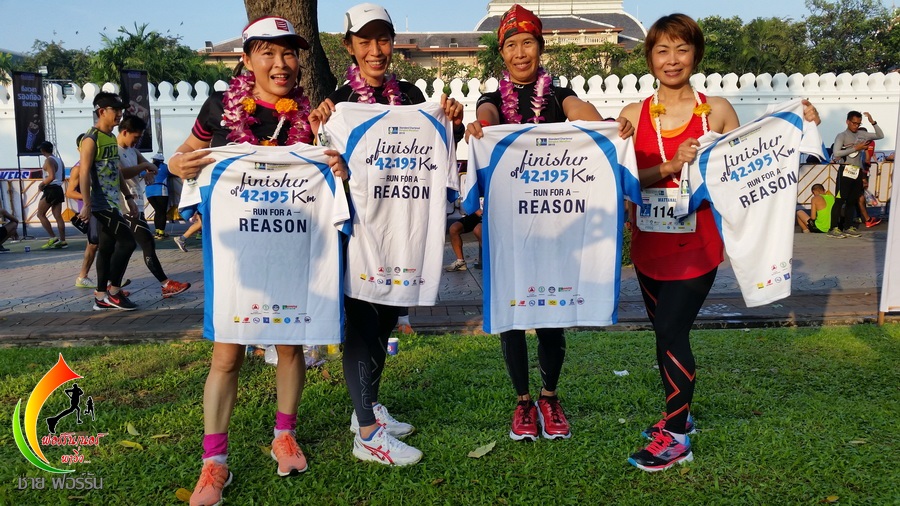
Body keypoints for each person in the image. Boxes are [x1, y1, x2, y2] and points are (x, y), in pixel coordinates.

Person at [618, 13, 820, 472]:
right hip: (649, 246)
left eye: (682, 49)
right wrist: (668, 166)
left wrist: (800, 123)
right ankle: (679, 416)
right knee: (665, 334)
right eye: (662, 50)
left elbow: (751, 162)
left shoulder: (719, 110)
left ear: (696, 55)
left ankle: (675, 438)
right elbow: (623, 179)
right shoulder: (632, 115)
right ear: (649, 57)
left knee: (672, 332)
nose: (672, 59)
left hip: (699, 245)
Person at [167, 17, 348, 506]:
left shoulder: (314, 117)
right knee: (227, 356)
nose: (280, 63)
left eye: (288, 53)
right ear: (247, 60)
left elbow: (335, 173)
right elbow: (185, 154)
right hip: (238, 260)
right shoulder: (219, 109)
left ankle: (284, 435)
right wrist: (176, 163)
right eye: (267, 52)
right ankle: (214, 462)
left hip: (293, 251)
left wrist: (336, 165)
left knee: (290, 346)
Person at [464, 3, 633, 443]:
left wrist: (612, 128)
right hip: (510, 231)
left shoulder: (559, 95)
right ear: (502, 53)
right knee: (512, 317)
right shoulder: (491, 101)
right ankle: (523, 401)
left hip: (556, 229)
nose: (520, 53)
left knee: (551, 314)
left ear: (540, 48)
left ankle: (550, 397)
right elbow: (488, 121)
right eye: (511, 46)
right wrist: (479, 129)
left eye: (528, 43)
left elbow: (586, 116)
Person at [309, 2, 465, 466]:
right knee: (363, 319)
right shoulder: (338, 103)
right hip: (360, 233)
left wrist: (452, 119)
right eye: (365, 41)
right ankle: (367, 434)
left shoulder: (412, 94)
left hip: (404, 233)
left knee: (387, 319)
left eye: (383, 40)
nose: (375, 50)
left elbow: (434, 146)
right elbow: (321, 167)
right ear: (349, 47)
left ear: (393, 43)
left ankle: (369, 406)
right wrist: (321, 131)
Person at [78, 92, 141, 311]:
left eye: (120, 110)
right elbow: (84, 173)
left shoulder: (111, 138)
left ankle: (100, 296)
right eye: (116, 110)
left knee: (106, 248)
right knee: (128, 242)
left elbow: (117, 171)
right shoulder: (90, 139)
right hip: (101, 204)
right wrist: (87, 204)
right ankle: (114, 292)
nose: (119, 114)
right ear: (102, 111)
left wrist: (129, 197)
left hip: (114, 202)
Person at [117, 115, 191, 298]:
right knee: (146, 242)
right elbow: (121, 173)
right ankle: (166, 284)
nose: (136, 141)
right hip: (125, 204)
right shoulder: (114, 150)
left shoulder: (132, 150)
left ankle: (111, 287)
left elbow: (149, 166)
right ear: (124, 132)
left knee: (123, 247)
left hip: (137, 202)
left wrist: (149, 170)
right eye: (135, 137)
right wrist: (144, 166)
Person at [831, 111, 883, 237]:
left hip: (858, 170)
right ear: (847, 122)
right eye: (854, 123)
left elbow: (880, 135)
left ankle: (848, 227)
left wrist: (873, 122)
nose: (856, 126)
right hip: (845, 169)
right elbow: (836, 153)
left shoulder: (862, 134)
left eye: (858, 124)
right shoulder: (842, 136)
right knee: (840, 200)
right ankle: (833, 228)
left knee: (852, 200)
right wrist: (856, 148)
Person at [66, 133, 99, 287]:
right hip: (89, 210)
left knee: (102, 244)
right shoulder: (77, 168)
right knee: (93, 244)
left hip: (103, 207)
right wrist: (88, 199)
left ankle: (112, 281)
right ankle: (83, 276)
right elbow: (69, 192)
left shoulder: (97, 164)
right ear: (79, 148)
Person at [37, 141, 68, 250]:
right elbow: (62, 177)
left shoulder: (49, 160)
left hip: (51, 189)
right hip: (58, 188)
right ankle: (63, 240)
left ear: (42, 150)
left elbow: (51, 176)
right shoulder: (59, 160)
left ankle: (53, 237)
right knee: (58, 216)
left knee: (40, 214)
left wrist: (42, 184)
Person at [145, 153, 172, 239]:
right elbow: (173, 172)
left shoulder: (147, 168)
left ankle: (157, 232)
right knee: (162, 212)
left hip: (149, 191)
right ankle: (161, 233)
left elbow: (141, 174)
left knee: (157, 211)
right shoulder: (165, 167)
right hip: (161, 190)